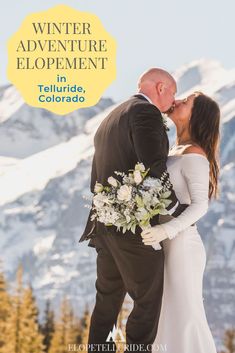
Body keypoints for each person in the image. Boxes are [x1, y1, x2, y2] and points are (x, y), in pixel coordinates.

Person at [79, 68, 188, 352]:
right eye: (174, 93)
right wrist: (178, 210)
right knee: (147, 301)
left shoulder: (110, 118)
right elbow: (154, 166)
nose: (173, 101)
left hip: (105, 227)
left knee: (106, 304)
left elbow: (99, 174)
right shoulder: (145, 113)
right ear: (161, 87)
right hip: (134, 229)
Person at [141, 92, 220, 352]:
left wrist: (165, 229)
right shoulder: (173, 149)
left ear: (196, 115)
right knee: (165, 315)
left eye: (187, 101)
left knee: (186, 315)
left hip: (183, 246)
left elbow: (200, 205)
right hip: (164, 244)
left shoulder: (195, 153)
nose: (178, 100)